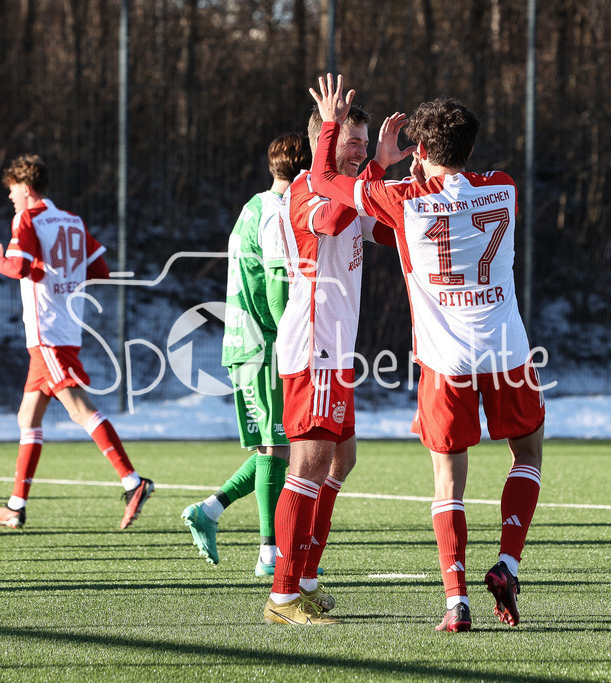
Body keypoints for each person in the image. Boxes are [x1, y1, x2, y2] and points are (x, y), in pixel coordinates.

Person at [308, 74, 546, 632]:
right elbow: (467, 186)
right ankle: (508, 564)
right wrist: (426, 168)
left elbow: (322, 179)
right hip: (507, 351)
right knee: (528, 454)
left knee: (449, 478)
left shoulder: (403, 201)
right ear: (469, 147)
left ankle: (455, 602)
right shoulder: (504, 187)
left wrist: (368, 152)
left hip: (446, 361)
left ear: (419, 150)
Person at [262, 102, 403, 626]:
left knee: (342, 462)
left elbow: (382, 230)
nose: (362, 151)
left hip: (337, 352)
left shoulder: (346, 185)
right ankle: (282, 594)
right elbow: (337, 215)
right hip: (314, 347)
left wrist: (418, 200)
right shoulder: (307, 190)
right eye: (352, 142)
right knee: (307, 467)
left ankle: (306, 579)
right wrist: (376, 173)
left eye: (366, 143)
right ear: (325, 141)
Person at [0, 154, 153, 530]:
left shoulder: (28, 218)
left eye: (12, 192)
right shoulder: (72, 220)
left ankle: (133, 481)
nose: (11, 199)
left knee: (79, 410)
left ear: (25, 189)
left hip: (47, 333)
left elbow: (19, 267)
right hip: (63, 328)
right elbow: (100, 270)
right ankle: (15, 505)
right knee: (28, 417)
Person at [181, 133, 311, 576]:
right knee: (278, 446)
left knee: (276, 445)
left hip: (244, 340)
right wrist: (297, 339)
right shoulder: (279, 213)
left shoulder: (253, 205)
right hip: (266, 343)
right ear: (305, 170)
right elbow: (275, 292)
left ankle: (210, 510)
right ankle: (268, 553)